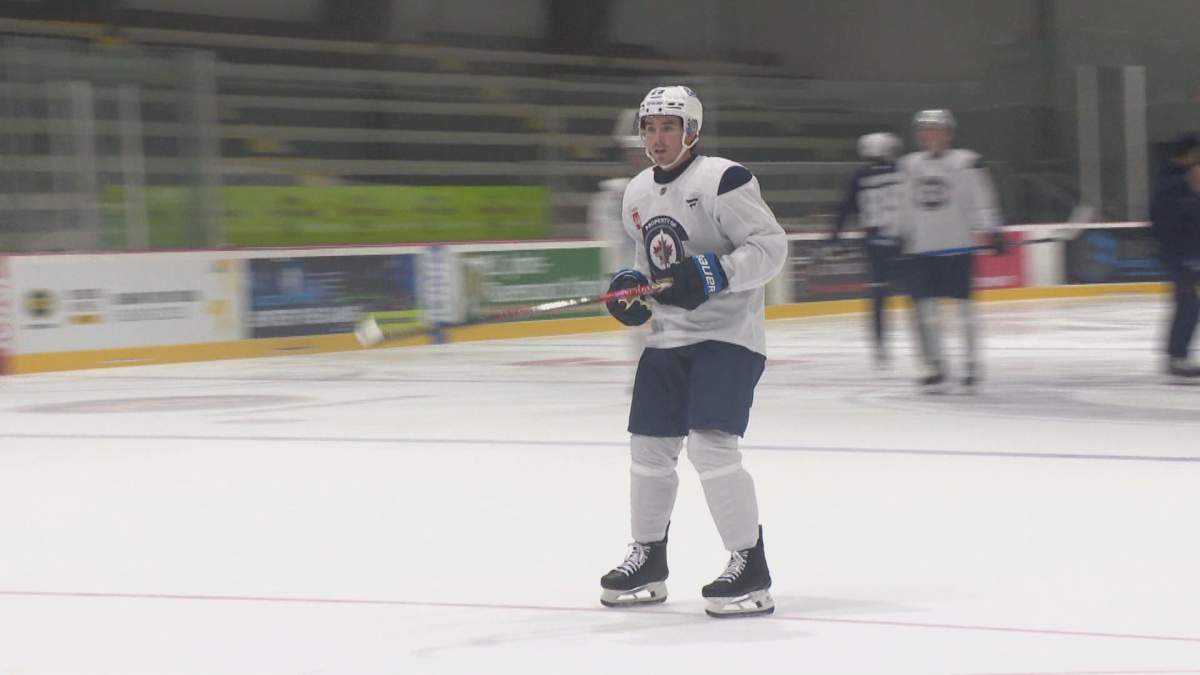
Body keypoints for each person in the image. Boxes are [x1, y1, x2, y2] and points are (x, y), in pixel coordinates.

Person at [598, 85, 787, 618]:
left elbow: (772, 248)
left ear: (692, 132)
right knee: (648, 450)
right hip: (668, 339)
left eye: (668, 127)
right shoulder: (636, 191)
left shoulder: (724, 180)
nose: (657, 138)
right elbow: (648, 263)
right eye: (649, 127)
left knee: (710, 448)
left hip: (728, 337)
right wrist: (633, 291)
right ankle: (649, 559)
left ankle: (749, 565)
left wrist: (717, 271)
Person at [896, 109, 1005, 391]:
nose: (929, 135)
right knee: (925, 313)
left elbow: (982, 200)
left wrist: (992, 229)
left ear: (948, 133)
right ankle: (934, 366)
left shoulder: (966, 163)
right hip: (921, 249)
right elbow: (903, 204)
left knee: (965, 311)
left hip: (957, 247)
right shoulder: (909, 165)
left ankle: (970, 364)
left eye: (935, 129)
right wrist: (898, 234)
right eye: (924, 130)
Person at [829, 132, 905, 367]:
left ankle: (880, 346)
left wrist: (835, 236)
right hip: (901, 240)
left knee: (878, 296)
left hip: (874, 243)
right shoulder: (902, 171)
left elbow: (844, 208)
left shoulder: (859, 176)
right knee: (915, 292)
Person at [588, 109, 652, 366]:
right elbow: (612, 242)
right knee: (641, 334)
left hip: (672, 282)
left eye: (640, 150)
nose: (638, 157)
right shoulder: (614, 196)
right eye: (633, 152)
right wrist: (619, 278)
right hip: (638, 282)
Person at [1149, 132, 1200, 379]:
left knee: (1189, 305)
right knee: (1188, 304)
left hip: (1187, 254)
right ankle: (1176, 357)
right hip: (1181, 256)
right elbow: (1168, 223)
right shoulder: (1172, 184)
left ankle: (1177, 356)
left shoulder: (1178, 180)